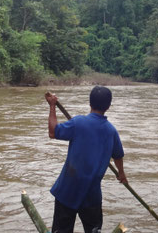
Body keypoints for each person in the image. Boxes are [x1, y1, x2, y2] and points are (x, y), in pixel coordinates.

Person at [45, 86, 127, 233]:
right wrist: (121, 174)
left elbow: (53, 132)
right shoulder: (111, 131)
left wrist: (52, 106)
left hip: (67, 191)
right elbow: (118, 156)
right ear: (108, 106)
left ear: (90, 103)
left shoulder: (78, 123)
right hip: (92, 196)